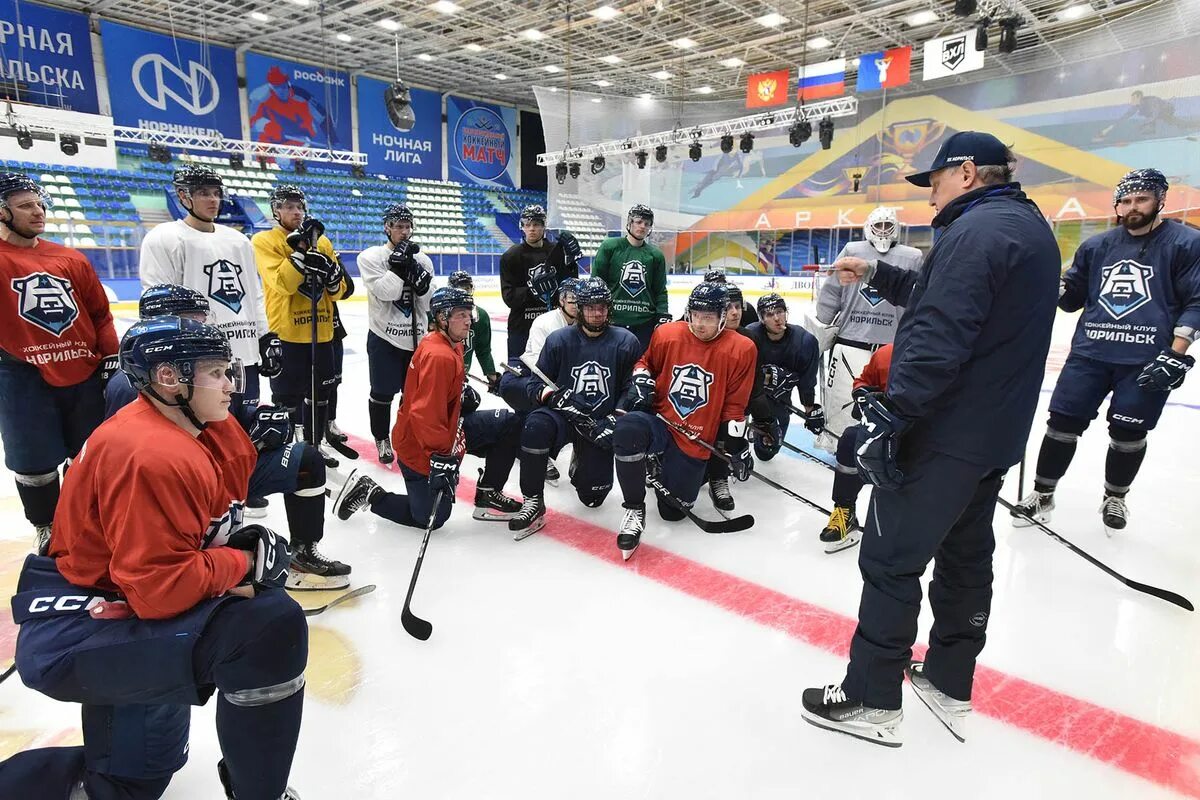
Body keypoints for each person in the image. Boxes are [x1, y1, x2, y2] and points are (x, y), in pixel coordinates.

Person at [800, 131, 1060, 746]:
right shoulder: (1025, 227)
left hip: (944, 431)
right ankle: (949, 677)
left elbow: (938, 334)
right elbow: (953, 301)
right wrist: (877, 274)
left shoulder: (972, 234)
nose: (930, 199)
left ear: (966, 173)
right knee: (966, 556)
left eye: (935, 183)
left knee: (890, 559)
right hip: (992, 435)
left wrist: (891, 419)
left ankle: (870, 697)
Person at [0, 315, 305, 800]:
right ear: (169, 376)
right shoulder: (149, 453)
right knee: (270, 626)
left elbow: (211, 513)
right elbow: (160, 588)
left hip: (116, 600)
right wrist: (242, 565)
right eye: (218, 372)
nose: (232, 384)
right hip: (87, 621)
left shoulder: (192, 423)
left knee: (133, 780)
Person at [107, 284, 351, 588]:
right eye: (192, 319)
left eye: (202, 318)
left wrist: (258, 418)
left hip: (221, 469)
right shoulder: (134, 386)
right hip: (188, 482)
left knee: (306, 460)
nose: (204, 327)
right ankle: (204, 566)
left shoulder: (199, 363)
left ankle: (302, 553)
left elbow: (225, 413)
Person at [1014, 168, 1200, 535]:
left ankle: (1116, 496)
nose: (1133, 207)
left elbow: (1197, 300)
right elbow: (1073, 299)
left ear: (1160, 201)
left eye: (1141, 199)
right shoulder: (1097, 246)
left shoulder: (1186, 243)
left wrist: (1176, 354)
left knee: (1128, 433)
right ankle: (1043, 494)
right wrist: (1049, 284)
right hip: (1090, 353)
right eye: (1126, 200)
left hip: (1148, 359)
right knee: (1062, 424)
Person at [334, 287, 523, 529]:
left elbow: (432, 397)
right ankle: (371, 493)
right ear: (442, 318)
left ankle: (488, 491)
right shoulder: (439, 356)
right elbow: (425, 415)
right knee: (432, 517)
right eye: (461, 315)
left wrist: (460, 396)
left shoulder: (450, 344)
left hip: (448, 429)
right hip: (420, 446)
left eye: (469, 314)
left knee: (508, 424)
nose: (468, 322)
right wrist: (441, 458)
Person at [0, 173, 118, 554]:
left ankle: (87, 523)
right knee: (33, 462)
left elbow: (100, 314)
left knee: (88, 455)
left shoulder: (70, 257)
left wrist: (111, 356)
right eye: (25, 205)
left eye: (39, 204)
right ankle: (48, 527)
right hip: (22, 376)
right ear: (2, 212)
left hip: (83, 372)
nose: (38, 211)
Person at [612, 282, 756, 559]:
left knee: (672, 512)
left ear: (723, 317)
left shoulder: (742, 348)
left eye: (709, 318)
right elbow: (645, 363)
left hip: (696, 437)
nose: (701, 324)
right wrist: (641, 377)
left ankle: (684, 470)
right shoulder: (667, 334)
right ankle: (633, 509)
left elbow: (736, 404)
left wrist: (734, 446)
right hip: (661, 423)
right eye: (696, 315)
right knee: (628, 428)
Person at [138, 164, 278, 433]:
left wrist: (265, 336)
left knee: (241, 432)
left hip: (244, 357)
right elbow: (157, 304)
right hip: (200, 362)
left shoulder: (238, 240)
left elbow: (253, 293)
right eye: (203, 192)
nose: (213, 199)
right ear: (182, 195)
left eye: (216, 192)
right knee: (206, 434)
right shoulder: (164, 238)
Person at [509, 277, 642, 538]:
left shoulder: (626, 341)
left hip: (602, 422)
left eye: (602, 307)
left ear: (609, 308)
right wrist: (551, 397)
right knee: (535, 425)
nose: (596, 313)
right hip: (564, 417)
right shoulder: (558, 340)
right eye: (590, 307)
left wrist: (616, 418)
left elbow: (634, 387)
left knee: (593, 499)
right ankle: (533, 501)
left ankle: (581, 459)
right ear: (578, 309)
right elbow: (536, 384)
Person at [252, 184, 351, 466]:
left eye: (299, 207)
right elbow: (282, 284)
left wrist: (331, 275)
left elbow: (339, 291)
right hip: (287, 333)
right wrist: (301, 251)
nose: (296, 211)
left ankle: (315, 446)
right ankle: (290, 451)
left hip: (322, 333)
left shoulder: (324, 242)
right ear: (276, 211)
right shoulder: (264, 241)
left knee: (321, 393)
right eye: (288, 207)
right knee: (287, 397)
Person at [813, 206, 922, 453]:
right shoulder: (853, 251)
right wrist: (823, 320)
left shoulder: (912, 257)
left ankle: (882, 449)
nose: (883, 231)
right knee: (842, 400)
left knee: (888, 406)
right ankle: (837, 443)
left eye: (887, 226)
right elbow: (832, 290)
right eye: (878, 226)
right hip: (851, 342)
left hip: (891, 348)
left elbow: (918, 296)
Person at [356, 203, 435, 463]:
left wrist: (423, 285)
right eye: (398, 226)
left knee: (412, 394)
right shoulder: (370, 257)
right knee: (381, 392)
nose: (404, 231)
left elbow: (427, 305)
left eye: (407, 226)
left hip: (416, 339)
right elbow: (388, 293)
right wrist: (399, 268)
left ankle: (406, 435)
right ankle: (381, 437)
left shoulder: (422, 259)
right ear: (387, 227)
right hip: (384, 337)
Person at [821, 343, 893, 554]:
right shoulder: (886, 353)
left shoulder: (948, 356)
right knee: (850, 438)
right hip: (889, 430)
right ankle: (845, 509)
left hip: (930, 437)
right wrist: (862, 393)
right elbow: (863, 381)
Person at [499, 204, 580, 360]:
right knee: (522, 373)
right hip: (522, 327)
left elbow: (571, 286)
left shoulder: (557, 251)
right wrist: (532, 290)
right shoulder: (511, 256)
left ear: (544, 226)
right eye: (527, 225)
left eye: (536, 224)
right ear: (522, 227)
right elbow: (509, 297)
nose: (531, 229)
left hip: (555, 323)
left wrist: (571, 262)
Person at [591, 204, 669, 352]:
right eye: (639, 222)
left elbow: (660, 290)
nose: (643, 227)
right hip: (613, 320)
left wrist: (662, 314)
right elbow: (596, 282)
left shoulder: (656, 255)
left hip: (644, 322)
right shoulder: (610, 247)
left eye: (647, 224)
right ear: (629, 223)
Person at [447, 270, 501, 393]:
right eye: (460, 288)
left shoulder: (481, 316)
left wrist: (491, 375)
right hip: (439, 371)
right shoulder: (441, 314)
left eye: (467, 288)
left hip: (460, 375)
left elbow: (483, 350)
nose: (465, 292)